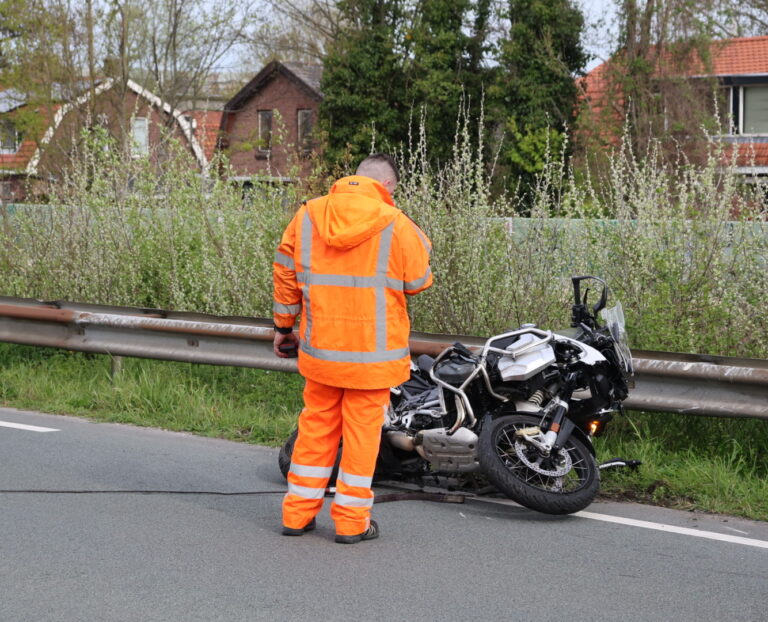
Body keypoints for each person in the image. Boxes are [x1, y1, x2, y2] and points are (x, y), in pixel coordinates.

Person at [272, 153, 432, 544]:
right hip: (373, 360)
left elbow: (285, 274)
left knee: (315, 430)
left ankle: (297, 515)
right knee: (362, 440)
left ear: (353, 178)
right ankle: (350, 523)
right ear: (388, 186)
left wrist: (283, 328)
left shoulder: (307, 216)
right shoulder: (397, 224)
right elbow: (419, 281)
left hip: (321, 353)